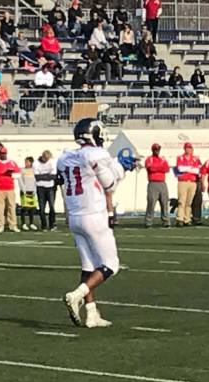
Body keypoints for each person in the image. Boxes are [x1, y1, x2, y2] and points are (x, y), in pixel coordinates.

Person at [61, 118, 138, 328]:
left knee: (88, 267)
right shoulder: (96, 154)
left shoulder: (65, 157)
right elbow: (109, 184)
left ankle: (91, 314)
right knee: (111, 265)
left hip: (75, 216)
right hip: (93, 215)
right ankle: (77, 294)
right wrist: (121, 168)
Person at [0, 145, 21, 233]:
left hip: (10, 188)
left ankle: (13, 225)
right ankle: (0, 225)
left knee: (11, 207)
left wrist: (11, 174)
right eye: (2, 153)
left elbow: (18, 174)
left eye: (5, 153)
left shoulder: (12, 162)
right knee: (0, 208)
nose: (3, 155)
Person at [144, 142, 171, 228]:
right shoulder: (149, 159)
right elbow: (150, 168)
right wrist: (160, 168)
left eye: (158, 149)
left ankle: (166, 221)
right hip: (153, 183)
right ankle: (148, 221)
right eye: (155, 149)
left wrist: (157, 168)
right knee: (151, 203)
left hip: (162, 183)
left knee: (164, 203)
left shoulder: (162, 159)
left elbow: (167, 169)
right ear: (152, 150)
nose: (157, 151)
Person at [175, 142, 201, 227]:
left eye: (190, 148)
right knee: (181, 201)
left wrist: (187, 169)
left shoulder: (195, 159)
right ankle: (180, 218)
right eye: (187, 148)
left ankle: (187, 218)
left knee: (189, 202)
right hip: (183, 181)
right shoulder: (180, 158)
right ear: (184, 149)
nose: (188, 150)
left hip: (192, 182)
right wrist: (191, 169)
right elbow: (180, 168)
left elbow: (197, 170)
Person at [34, 150, 58, 231]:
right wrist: (48, 175)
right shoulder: (36, 163)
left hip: (50, 187)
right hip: (40, 187)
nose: (47, 160)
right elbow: (37, 177)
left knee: (52, 206)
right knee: (42, 207)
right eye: (45, 158)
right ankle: (43, 225)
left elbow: (53, 176)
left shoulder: (52, 162)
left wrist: (43, 176)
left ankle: (52, 224)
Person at [19, 156, 38, 231]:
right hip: (24, 191)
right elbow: (20, 180)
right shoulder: (22, 170)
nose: (26, 163)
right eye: (25, 162)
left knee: (32, 208)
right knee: (24, 207)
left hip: (32, 191)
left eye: (27, 162)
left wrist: (34, 189)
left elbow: (35, 181)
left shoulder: (34, 170)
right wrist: (23, 189)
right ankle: (23, 223)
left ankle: (31, 223)